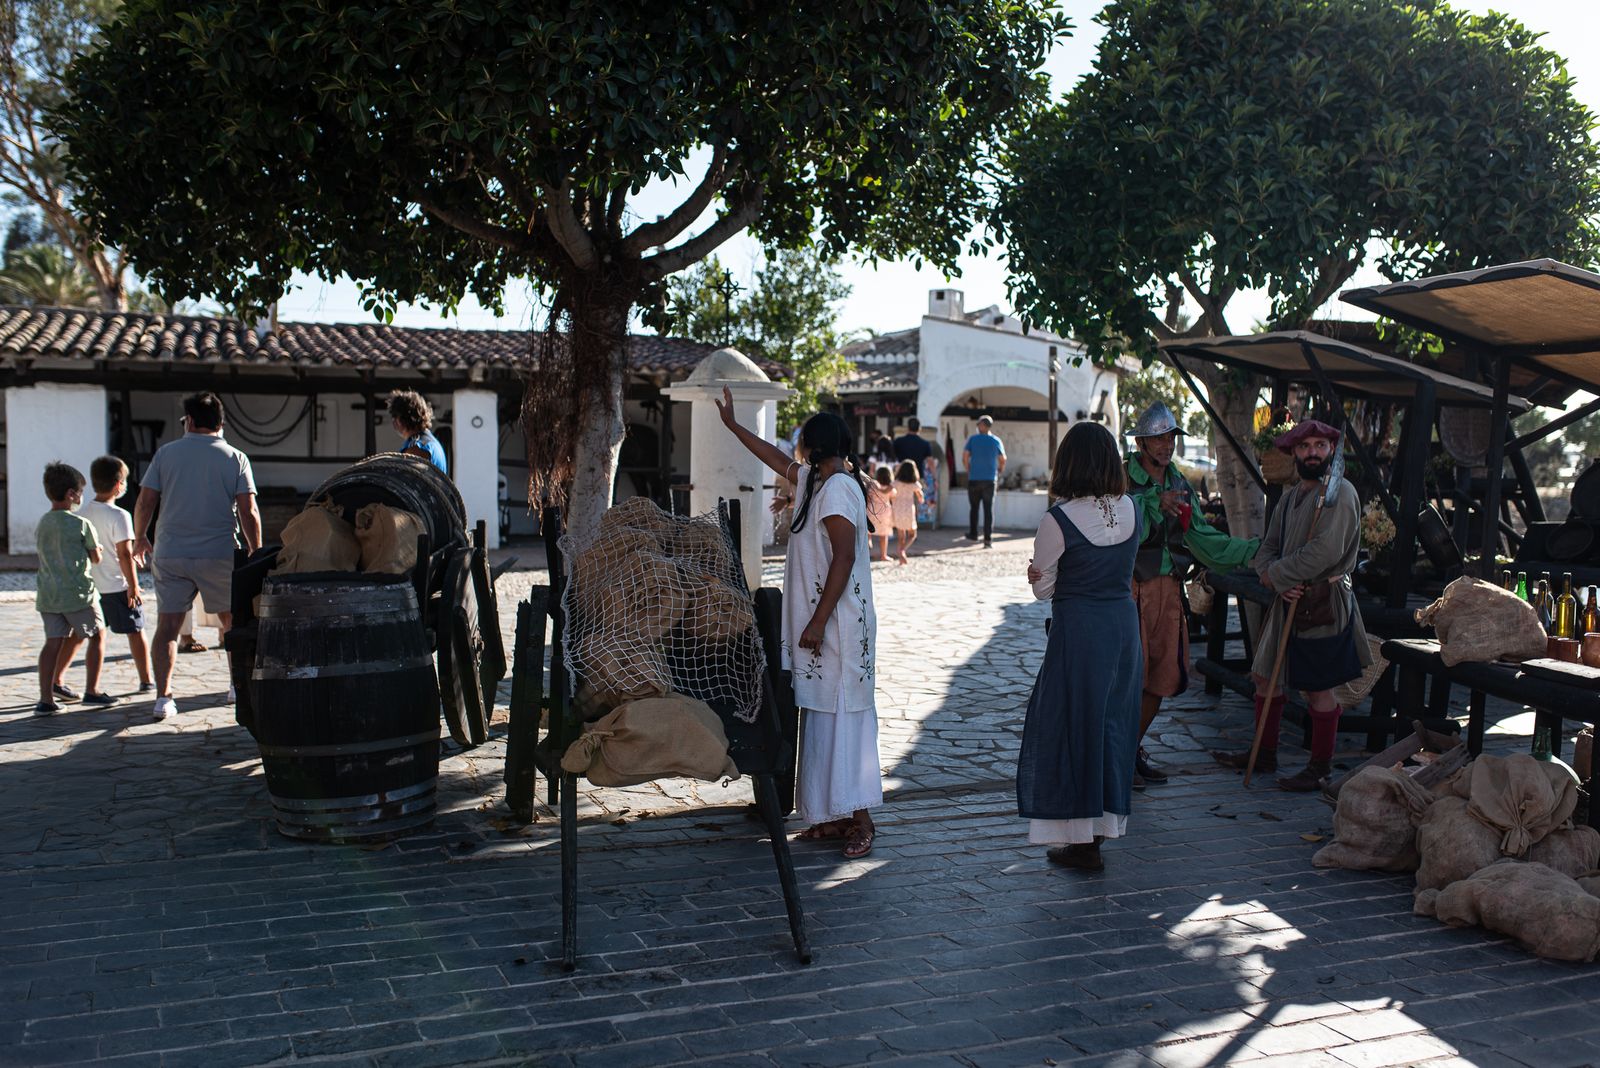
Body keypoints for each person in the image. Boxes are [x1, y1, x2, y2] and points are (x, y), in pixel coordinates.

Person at [716, 386, 882, 859]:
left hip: (839, 627)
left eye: (803, 443)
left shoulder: (838, 490)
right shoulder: (816, 482)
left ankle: (861, 819)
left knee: (845, 718)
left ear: (816, 448)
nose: (796, 452)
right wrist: (732, 426)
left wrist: (817, 621)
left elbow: (844, 558)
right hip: (822, 626)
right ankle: (829, 816)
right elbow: (773, 457)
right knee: (822, 717)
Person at [1213, 420, 1372, 791]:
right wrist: (1273, 575)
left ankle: (1320, 768)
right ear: (1294, 453)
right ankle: (1264, 754)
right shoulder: (1291, 496)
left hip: (1322, 602)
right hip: (1289, 598)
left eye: (1320, 445)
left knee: (1319, 688)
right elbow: (1268, 547)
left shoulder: (1341, 494)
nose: (1312, 452)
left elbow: (1326, 551)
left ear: (1331, 450)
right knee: (1265, 676)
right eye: (1304, 446)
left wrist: (1278, 575)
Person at [1019, 424, 1142, 871]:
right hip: (1123, 630)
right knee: (1111, 728)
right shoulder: (1132, 509)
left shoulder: (1058, 519)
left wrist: (1035, 574)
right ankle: (1099, 833)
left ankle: (1081, 838)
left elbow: (1044, 590)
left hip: (1080, 632)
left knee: (1074, 726)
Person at [1125, 402, 1259, 786]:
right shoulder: (1121, 478)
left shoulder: (1181, 485)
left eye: (1171, 438)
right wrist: (1151, 502)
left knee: (1161, 678)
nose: (1167, 445)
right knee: (1126, 679)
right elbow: (1108, 519)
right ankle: (1114, 757)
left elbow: (1202, 539)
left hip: (1168, 591)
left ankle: (1127, 751)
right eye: (1158, 438)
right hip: (1128, 591)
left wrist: (1251, 550)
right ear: (1141, 442)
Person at [133, 392, 261, 722]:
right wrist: (255, 550)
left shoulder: (166, 454)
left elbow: (146, 501)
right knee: (231, 622)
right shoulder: (235, 457)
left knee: (168, 626)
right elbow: (248, 511)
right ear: (221, 422)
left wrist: (140, 538)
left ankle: (163, 698)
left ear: (189, 421)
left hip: (172, 551)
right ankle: (236, 687)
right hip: (218, 552)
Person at [34, 462, 116, 714]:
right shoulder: (81, 524)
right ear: (71, 494)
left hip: (49, 596)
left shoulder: (43, 523)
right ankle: (92, 690)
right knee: (97, 635)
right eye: (80, 493)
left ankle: (46, 699)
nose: (82, 498)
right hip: (79, 593)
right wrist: (99, 550)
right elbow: (95, 557)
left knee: (52, 643)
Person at [82, 456, 152, 694]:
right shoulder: (120, 516)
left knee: (84, 636)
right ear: (118, 485)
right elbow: (125, 554)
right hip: (118, 586)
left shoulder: (83, 512)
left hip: (93, 587)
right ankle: (146, 679)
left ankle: (56, 679)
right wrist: (133, 585)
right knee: (136, 631)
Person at [963, 415, 1005, 547]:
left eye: (978, 424)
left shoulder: (973, 439)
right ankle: (988, 539)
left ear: (982, 425)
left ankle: (974, 534)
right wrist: (999, 470)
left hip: (974, 479)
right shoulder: (996, 440)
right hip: (990, 480)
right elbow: (1003, 458)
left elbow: (965, 456)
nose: (977, 427)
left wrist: (968, 469)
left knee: (974, 508)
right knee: (988, 510)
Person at [389, 389, 448, 474]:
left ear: (401, 419)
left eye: (395, 416)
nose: (394, 421)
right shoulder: (430, 442)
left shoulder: (417, 448)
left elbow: (408, 481)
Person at [891, 460, 924, 565]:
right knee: (913, 534)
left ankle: (901, 558)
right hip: (909, 511)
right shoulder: (915, 484)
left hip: (897, 510)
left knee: (901, 536)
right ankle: (902, 551)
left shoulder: (896, 483)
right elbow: (921, 499)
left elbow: (891, 494)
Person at [867, 468, 894, 562]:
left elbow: (869, 497)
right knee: (884, 535)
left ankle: (868, 541)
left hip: (873, 509)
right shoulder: (891, 487)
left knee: (868, 529)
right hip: (885, 511)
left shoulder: (873, 484)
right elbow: (893, 497)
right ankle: (883, 555)